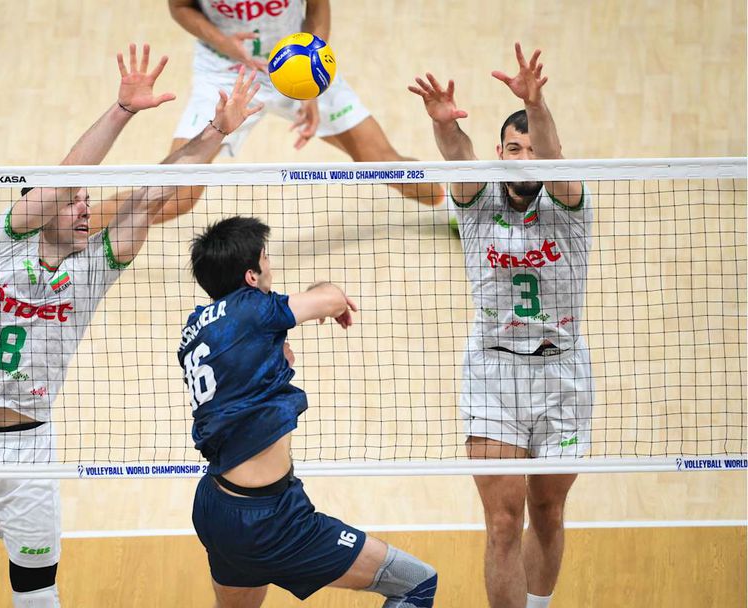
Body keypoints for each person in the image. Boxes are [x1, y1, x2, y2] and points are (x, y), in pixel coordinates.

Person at [0, 43, 263, 608]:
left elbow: (151, 196)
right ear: (41, 211)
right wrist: (122, 111)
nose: (84, 208)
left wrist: (216, 132)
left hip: (27, 448)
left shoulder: (92, 270)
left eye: (87, 201)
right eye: (73, 202)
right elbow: (59, 183)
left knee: (35, 591)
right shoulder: (1, 248)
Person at [409, 42, 592, 608]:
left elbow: (553, 158)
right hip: (493, 372)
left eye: (532, 149)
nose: (523, 158)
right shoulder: (477, 202)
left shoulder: (569, 205)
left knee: (548, 511)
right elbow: (459, 159)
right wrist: (444, 125)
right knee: (503, 522)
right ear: (499, 153)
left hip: (562, 373)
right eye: (514, 148)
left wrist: (536, 105)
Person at [178, 216, 438, 607]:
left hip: (215, 507)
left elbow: (238, 378)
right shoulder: (256, 310)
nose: (271, 265)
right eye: (266, 258)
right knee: (416, 584)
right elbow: (332, 298)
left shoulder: (196, 327)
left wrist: (274, 357)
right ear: (251, 276)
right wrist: (323, 302)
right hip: (269, 522)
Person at [112, 0, 443, 227]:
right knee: (175, 194)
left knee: (382, 163)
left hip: (299, 61)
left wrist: (312, 85)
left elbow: (317, 7)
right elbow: (180, 6)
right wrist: (223, 41)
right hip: (225, 69)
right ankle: (85, 227)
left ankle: (456, 203)